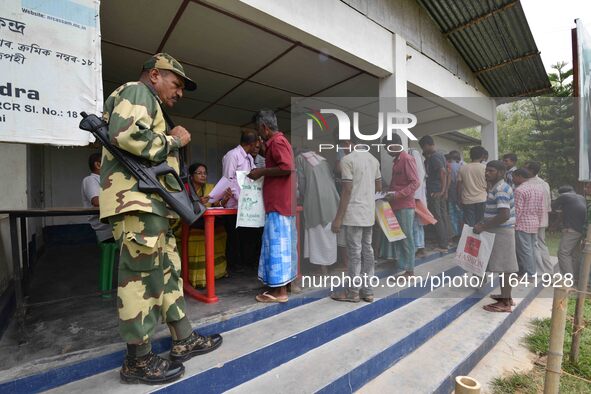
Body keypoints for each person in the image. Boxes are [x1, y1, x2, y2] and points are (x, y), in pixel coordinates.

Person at [100, 53, 222, 384]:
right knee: (140, 281)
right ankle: (137, 361)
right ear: (155, 75)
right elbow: (125, 135)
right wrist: (174, 140)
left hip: (153, 206)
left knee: (167, 275)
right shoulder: (138, 92)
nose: (179, 92)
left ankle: (183, 339)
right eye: (176, 84)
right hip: (137, 204)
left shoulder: (152, 101)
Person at [248, 109, 297, 303]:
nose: (258, 134)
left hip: (279, 204)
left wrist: (261, 171)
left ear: (264, 127)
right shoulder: (278, 142)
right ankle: (282, 286)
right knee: (282, 246)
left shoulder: (277, 141)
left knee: (277, 247)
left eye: (258, 130)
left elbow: (286, 168)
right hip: (281, 203)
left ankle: (280, 292)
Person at [331, 138, 382, 303]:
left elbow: (347, 190)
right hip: (368, 213)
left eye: (342, 145)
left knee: (354, 254)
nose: (341, 148)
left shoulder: (348, 160)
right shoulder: (373, 160)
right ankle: (367, 291)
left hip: (353, 214)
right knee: (368, 252)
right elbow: (379, 186)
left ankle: (352, 292)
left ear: (348, 142)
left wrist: (338, 218)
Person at [474, 160, 518, 313]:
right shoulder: (497, 187)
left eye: (491, 171)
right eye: (486, 170)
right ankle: (506, 296)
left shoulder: (500, 188)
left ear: (501, 173)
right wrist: (484, 221)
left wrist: (483, 226)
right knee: (503, 267)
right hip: (499, 231)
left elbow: (504, 215)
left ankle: (505, 303)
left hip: (502, 232)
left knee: (506, 268)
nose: (487, 173)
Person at [179, 163, 230, 287]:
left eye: (205, 173)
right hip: (192, 224)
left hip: (209, 222)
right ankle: (198, 279)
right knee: (199, 237)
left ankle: (217, 273)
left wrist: (226, 199)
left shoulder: (211, 188)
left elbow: (217, 204)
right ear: (191, 176)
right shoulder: (185, 189)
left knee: (221, 231)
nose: (203, 176)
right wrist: (197, 203)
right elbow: (182, 208)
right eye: (199, 173)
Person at [296, 149, 339, 275]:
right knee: (328, 233)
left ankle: (322, 269)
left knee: (317, 233)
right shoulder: (323, 160)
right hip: (332, 198)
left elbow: (301, 181)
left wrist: (303, 196)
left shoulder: (300, 159)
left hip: (315, 198)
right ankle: (328, 265)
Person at [222, 130, 260, 272]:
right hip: (234, 205)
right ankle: (233, 267)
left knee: (248, 237)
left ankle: (246, 264)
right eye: (257, 142)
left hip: (248, 206)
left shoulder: (249, 158)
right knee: (234, 238)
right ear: (252, 143)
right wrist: (241, 199)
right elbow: (228, 180)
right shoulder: (233, 155)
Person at [81, 152, 116, 298]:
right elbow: (96, 201)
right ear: (98, 164)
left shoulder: (104, 180)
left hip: (112, 226)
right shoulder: (90, 180)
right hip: (106, 229)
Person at [385, 134, 419, 276]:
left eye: (387, 147)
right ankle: (402, 264)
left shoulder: (406, 159)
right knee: (399, 236)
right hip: (396, 204)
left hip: (404, 205)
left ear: (395, 145)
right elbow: (398, 184)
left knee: (407, 237)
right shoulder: (397, 161)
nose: (386, 151)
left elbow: (415, 182)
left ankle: (409, 270)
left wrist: (397, 195)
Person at [419, 135, 450, 252]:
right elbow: (447, 172)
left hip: (435, 191)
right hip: (439, 191)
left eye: (423, 147)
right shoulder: (440, 155)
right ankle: (446, 241)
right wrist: (445, 190)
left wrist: (442, 190)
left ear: (427, 145)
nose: (423, 150)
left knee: (437, 217)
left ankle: (443, 245)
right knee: (442, 215)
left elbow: (443, 172)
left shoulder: (434, 157)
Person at [512, 168, 544, 277]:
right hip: (534, 223)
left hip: (522, 224)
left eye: (514, 177)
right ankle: (532, 271)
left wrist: (513, 224)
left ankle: (530, 274)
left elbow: (517, 210)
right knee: (532, 249)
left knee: (524, 251)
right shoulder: (538, 189)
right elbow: (540, 208)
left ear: (519, 176)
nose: (513, 179)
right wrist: (538, 221)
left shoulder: (519, 190)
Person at [552, 185, 587, 282]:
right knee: (575, 254)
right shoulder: (581, 197)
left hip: (572, 229)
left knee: (563, 252)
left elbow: (552, 206)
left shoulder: (565, 196)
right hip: (581, 230)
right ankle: (575, 277)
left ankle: (568, 279)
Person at [524, 161, 553, 274]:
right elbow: (549, 204)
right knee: (541, 244)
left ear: (531, 171)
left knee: (533, 245)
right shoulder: (544, 183)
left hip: (532, 219)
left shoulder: (529, 184)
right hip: (543, 218)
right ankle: (548, 271)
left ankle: (540, 271)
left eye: (525, 168)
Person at [457, 146, 488, 226]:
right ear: (482, 156)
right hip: (482, 199)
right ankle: (480, 238)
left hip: (467, 200)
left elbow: (459, 186)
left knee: (469, 224)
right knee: (481, 223)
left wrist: (459, 199)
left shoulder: (463, 168)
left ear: (471, 155)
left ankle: (469, 238)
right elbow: (489, 185)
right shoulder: (485, 168)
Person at [409, 147, 428, 258]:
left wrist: (414, 196)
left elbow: (417, 180)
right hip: (416, 197)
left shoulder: (413, 154)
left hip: (415, 198)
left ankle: (419, 247)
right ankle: (419, 246)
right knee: (417, 223)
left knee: (416, 223)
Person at [446, 150, 463, 240]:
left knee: (452, 214)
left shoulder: (448, 166)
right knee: (460, 213)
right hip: (460, 193)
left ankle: (455, 233)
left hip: (451, 192)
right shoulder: (462, 166)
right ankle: (462, 233)